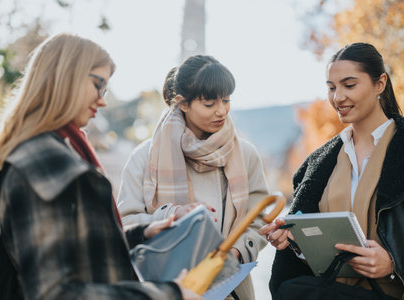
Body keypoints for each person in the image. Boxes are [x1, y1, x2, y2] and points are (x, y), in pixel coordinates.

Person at [0, 33, 201, 300]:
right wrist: (171, 294)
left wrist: (142, 234)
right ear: (64, 79)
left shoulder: (51, 152)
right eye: (97, 85)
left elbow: (76, 251)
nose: (102, 100)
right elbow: (55, 293)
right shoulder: (43, 164)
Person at [117, 55, 270, 299]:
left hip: (231, 288)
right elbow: (125, 226)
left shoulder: (245, 154)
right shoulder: (144, 157)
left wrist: (237, 252)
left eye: (226, 100)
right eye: (210, 104)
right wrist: (170, 214)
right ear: (183, 103)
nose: (221, 111)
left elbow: (260, 216)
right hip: (169, 289)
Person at [260, 43, 403, 299]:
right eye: (331, 87)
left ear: (380, 84)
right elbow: (319, 255)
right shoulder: (320, 162)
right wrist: (295, 243)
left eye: (349, 85)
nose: (337, 97)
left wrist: (393, 265)